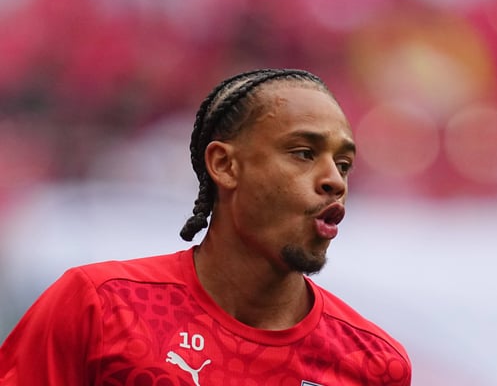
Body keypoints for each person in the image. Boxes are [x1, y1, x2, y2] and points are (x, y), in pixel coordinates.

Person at [0, 68, 411, 385]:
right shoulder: (101, 307)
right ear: (224, 165)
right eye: (304, 153)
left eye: (344, 164)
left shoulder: (374, 363)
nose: (335, 181)